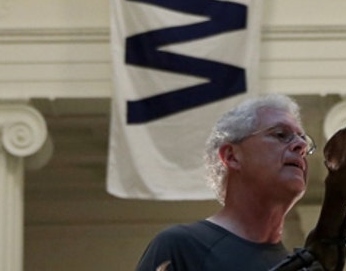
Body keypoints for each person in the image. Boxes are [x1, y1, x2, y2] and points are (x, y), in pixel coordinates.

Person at [134, 95, 315, 271]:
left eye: (303, 140)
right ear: (231, 156)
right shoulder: (179, 247)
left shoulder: (301, 267)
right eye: (281, 134)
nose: (301, 146)